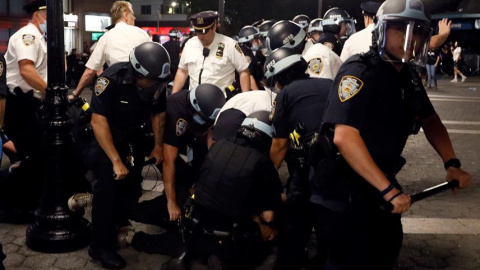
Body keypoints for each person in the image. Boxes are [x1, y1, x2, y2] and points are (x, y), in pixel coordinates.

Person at [309, 1, 472, 269]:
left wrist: (451, 163)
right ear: (381, 31)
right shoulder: (360, 71)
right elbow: (344, 136)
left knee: (385, 251)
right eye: (401, 29)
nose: (411, 38)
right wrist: (389, 191)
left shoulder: (406, 75)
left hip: (378, 184)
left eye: (417, 31)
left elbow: (431, 120)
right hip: (342, 190)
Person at [162, 110, 282, 270]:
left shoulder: (218, 146)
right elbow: (268, 216)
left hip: (193, 225)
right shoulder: (263, 164)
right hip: (228, 237)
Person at [86, 42, 170, 269]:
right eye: (151, 81)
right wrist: (115, 161)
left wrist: (158, 147)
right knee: (107, 189)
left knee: (132, 186)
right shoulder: (110, 80)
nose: (155, 86)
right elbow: (98, 120)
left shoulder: (156, 84)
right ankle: (100, 246)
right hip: (107, 139)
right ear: (137, 73)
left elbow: (159, 113)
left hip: (133, 137)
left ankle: (118, 224)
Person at [265, 48, 332, 270]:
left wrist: (266, 175)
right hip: (341, 165)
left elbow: (280, 144)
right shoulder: (329, 84)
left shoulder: (286, 94)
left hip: (309, 168)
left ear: (281, 78)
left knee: (295, 222)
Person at [3, 0, 48, 213]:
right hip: (23, 104)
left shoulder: (39, 37)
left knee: (36, 157)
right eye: (48, 14)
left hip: (31, 104)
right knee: (34, 156)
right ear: (38, 14)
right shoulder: (26, 36)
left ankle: (27, 203)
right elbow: (26, 70)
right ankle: (16, 207)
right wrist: (51, 92)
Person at [163, 83, 226, 222]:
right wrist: (171, 203)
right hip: (168, 138)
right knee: (181, 175)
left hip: (193, 134)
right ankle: (170, 201)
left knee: (202, 164)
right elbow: (168, 161)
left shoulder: (210, 107)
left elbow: (211, 133)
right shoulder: (176, 112)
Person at [71, 1, 150, 98]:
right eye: (132, 15)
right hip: (139, 87)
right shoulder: (142, 33)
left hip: (115, 87)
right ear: (125, 15)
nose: (134, 18)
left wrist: (75, 94)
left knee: (98, 106)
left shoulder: (106, 37)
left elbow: (90, 71)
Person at [171, 11, 251, 96]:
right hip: (194, 101)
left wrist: (245, 98)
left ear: (214, 27)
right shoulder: (190, 44)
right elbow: (182, 71)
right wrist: (173, 97)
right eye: (197, 32)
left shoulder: (229, 45)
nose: (201, 36)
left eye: (204, 31)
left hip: (221, 100)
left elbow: (243, 71)